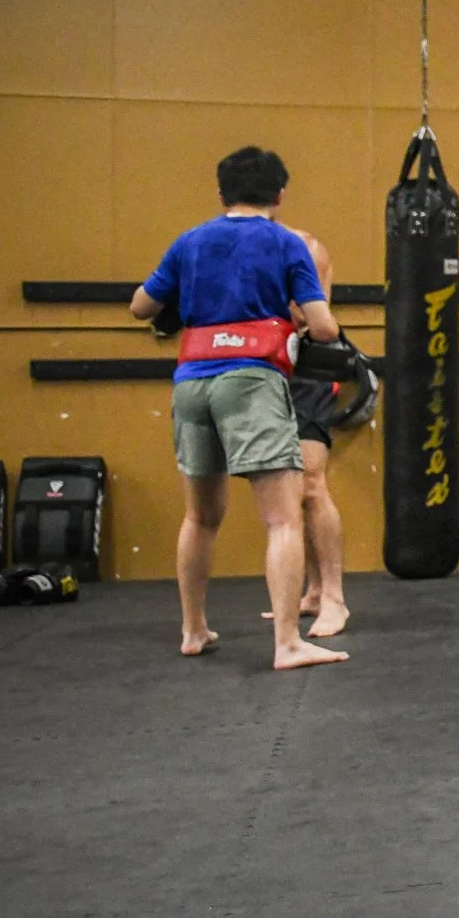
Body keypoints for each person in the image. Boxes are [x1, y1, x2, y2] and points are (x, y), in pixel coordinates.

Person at [128, 147, 350, 671]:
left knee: (200, 516)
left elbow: (141, 306)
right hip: (251, 379)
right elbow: (323, 326)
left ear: (220, 192)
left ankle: (192, 629)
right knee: (281, 519)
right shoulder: (284, 242)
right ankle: (288, 643)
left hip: (191, 383)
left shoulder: (190, 241)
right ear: (280, 194)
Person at [275, 222, 351, 638]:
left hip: (309, 371)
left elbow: (311, 316)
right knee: (288, 490)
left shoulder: (306, 247)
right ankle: (313, 591)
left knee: (311, 482)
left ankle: (335, 599)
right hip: (270, 371)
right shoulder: (252, 246)